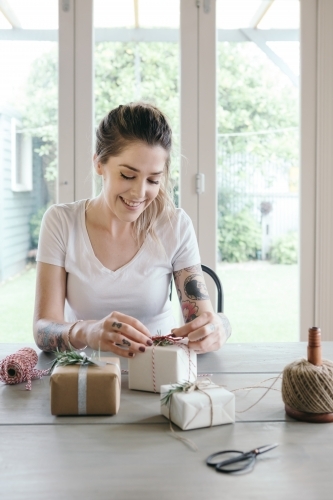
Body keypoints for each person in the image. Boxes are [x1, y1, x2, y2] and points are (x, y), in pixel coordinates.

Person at [33, 102, 231, 357]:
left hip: (158, 374)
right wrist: (88, 332)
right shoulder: (61, 222)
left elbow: (205, 320)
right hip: (85, 375)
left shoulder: (175, 226)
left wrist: (221, 326)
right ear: (99, 164)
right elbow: (42, 330)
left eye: (153, 180)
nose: (139, 193)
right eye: (127, 175)